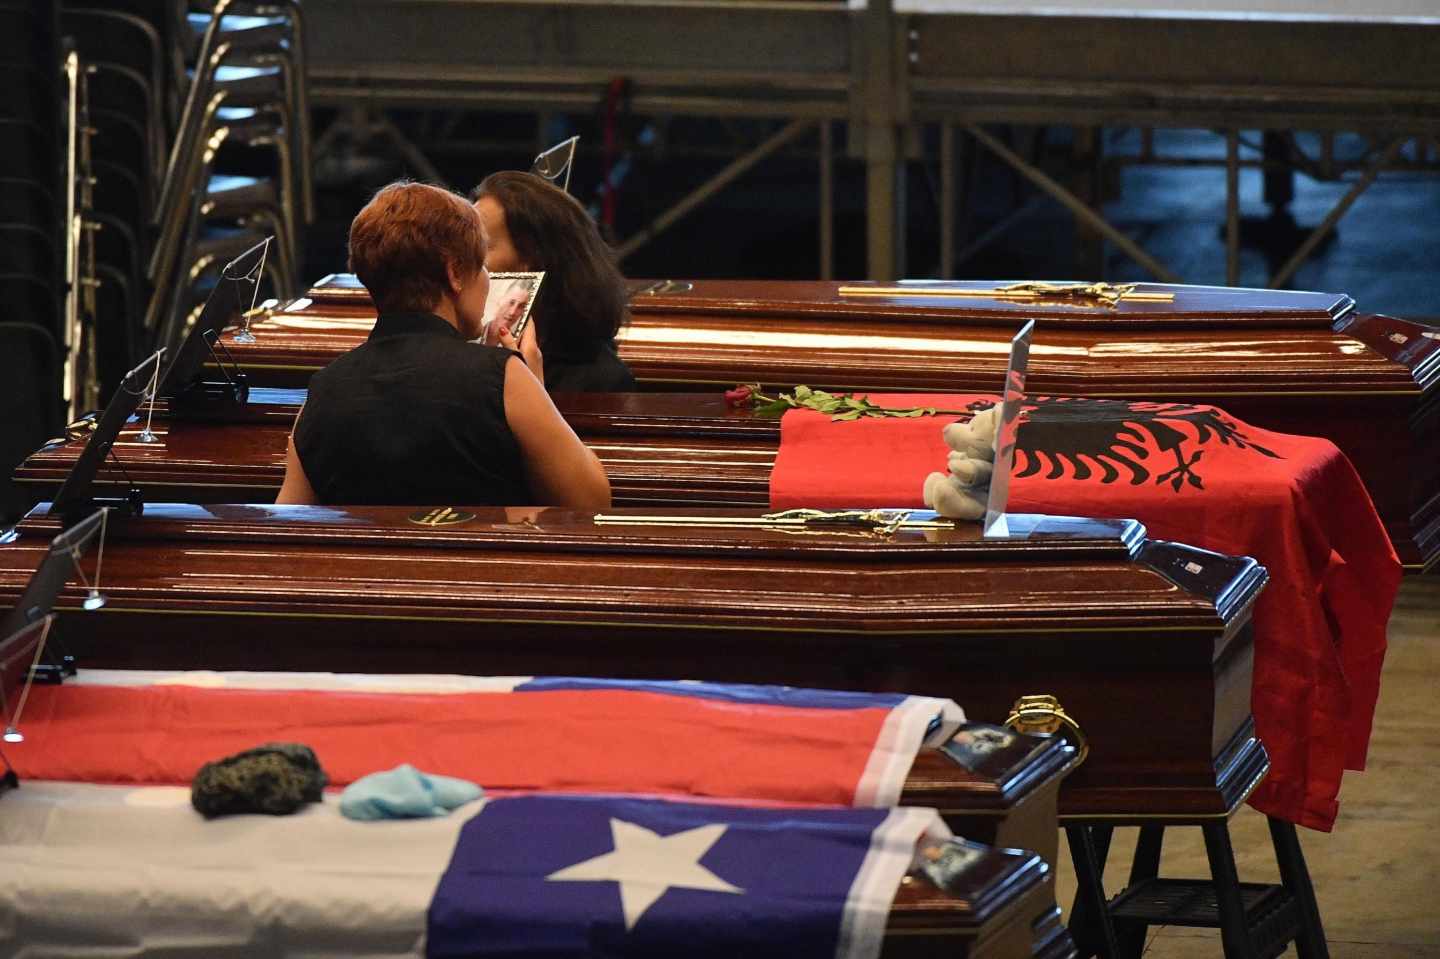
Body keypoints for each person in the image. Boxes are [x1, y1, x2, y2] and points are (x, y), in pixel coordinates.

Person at [276, 181, 611, 510]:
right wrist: (535, 390)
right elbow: (591, 500)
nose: (486, 279)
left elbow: (289, 517)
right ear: (454, 273)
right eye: (480, 264)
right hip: (483, 563)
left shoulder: (324, 389)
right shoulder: (501, 376)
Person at [471, 171, 637, 392]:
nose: (461, 259)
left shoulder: (599, 380)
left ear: (531, 260)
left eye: (480, 246)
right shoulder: (459, 348)